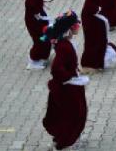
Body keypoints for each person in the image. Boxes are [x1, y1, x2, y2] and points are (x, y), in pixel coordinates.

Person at [41, 11, 88, 151]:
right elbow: (56, 69)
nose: (78, 27)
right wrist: (70, 77)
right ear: (69, 29)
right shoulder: (64, 46)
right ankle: (64, 143)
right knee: (73, 115)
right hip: (67, 89)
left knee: (67, 114)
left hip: (69, 85)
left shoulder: (64, 43)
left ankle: (64, 139)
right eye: (75, 25)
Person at [24, 0, 52, 70]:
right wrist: (41, 16)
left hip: (38, 17)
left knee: (44, 38)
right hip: (34, 20)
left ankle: (41, 56)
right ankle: (33, 60)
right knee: (39, 40)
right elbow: (32, 5)